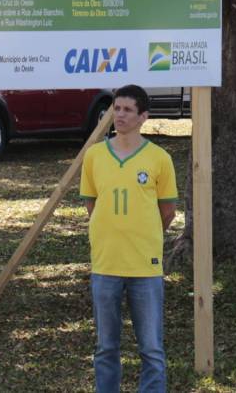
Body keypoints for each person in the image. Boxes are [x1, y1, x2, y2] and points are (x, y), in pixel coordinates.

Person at [80, 84, 178, 393]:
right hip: (106, 263)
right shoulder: (94, 155)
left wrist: (142, 235)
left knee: (151, 349)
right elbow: (91, 204)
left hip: (145, 266)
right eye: (116, 108)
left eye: (127, 110)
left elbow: (167, 212)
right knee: (106, 347)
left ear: (143, 116)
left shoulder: (160, 158)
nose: (120, 115)